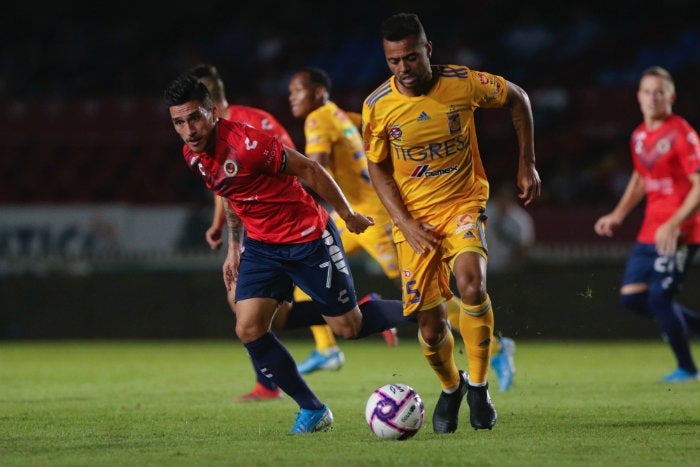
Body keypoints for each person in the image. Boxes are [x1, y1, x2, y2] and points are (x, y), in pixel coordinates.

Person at [164, 72, 413, 434]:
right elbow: (232, 194)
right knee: (249, 327)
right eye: (179, 123)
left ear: (213, 112)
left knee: (349, 327)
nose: (189, 130)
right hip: (264, 247)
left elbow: (310, 168)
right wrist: (234, 247)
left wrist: (346, 214)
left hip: (308, 238)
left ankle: (419, 308)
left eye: (194, 118)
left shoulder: (249, 144)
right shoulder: (194, 155)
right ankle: (312, 410)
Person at [362, 13, 541, 433]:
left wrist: (527, 164)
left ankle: (479, 387)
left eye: (410, 57)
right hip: (415, 223)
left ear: (428, 49)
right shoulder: (377, 107)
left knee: (472, 284)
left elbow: (519, 99)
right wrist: (403, 222)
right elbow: (377, 167)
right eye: (393, 61)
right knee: (429, 324)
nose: (403, 68)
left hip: (463, 203)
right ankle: (452, 386)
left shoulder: (463, 83)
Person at [189, 63, 364, 401]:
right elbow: (225, 184)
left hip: (293, 226)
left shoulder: (253, 123)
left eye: (192, 111)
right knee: (249, 311)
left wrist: (284, 211)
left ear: (207, 101)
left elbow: (295, 165)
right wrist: (221, 228)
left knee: (273, 314)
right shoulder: (201, 142)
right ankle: (271, 384)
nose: (187, 124)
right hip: (261, 236)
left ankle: (354, 313)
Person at [287, 66, 401, 374]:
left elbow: (314, 169)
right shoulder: (344, 116)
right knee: (302, 271)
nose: (291, 97)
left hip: (372, 219)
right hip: (356, 215)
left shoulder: (318, 118)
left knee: (417, 288)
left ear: (319, 92)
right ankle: (327, 350)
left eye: (298, 90)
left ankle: (492, 345)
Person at [594, 66, 700, 383]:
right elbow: (641, 178)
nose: (653, 97)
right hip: (650, 229)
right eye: (647, 91)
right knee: (631, 298)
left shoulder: (683, 134)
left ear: (671, 97)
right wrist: (618, 213)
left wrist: (675, 222)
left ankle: (688, 369)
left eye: (659, 91)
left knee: (658, 299)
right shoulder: (639, 136)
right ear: (638, 97)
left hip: (681, 231)